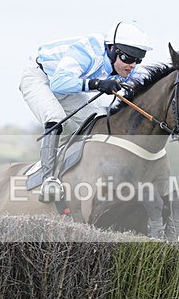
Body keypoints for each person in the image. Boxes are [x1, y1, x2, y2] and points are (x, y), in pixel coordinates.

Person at [20, 20, 152, 202]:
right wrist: (97, 84)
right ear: (112, 49)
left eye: (137, 60)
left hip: (68, 88)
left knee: (99, 121)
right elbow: (58, 83)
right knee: (56, 118)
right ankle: (48, 179)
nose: (132, 65)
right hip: (40, 78)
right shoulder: (88, 50)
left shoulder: (125, 66)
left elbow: (148, 80)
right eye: (128, 58)